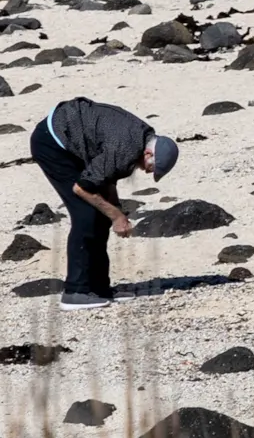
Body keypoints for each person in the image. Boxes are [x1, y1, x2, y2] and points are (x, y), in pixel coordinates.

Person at [30, 96, 178, 310]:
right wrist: (117, 216)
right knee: (86, 215)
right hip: (52, 143)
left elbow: (106, 177)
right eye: (150, 167)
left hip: (72, 139)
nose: (147, 171)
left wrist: (116, 210)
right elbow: (82, 188)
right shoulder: (126, 148)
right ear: (148, 153)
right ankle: (76, 292)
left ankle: (98, 289)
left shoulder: (139, 140)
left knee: (101, 215)